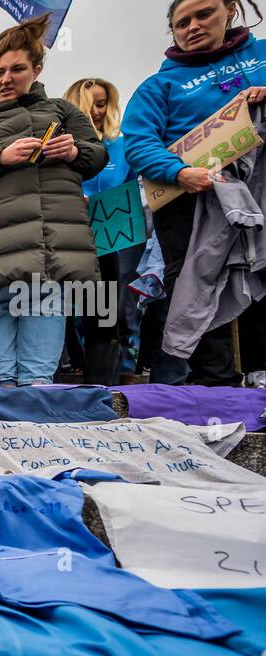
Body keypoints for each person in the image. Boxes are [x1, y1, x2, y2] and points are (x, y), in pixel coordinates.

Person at [0, 15, 106, 387]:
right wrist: (2, 156)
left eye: (16, 69)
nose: (5, 79)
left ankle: (36, 390)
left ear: (37, 70)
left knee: (45, 303)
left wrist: (74, 150)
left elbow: (97, 157)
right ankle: (2, 388)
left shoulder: (62, 112)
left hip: (51, 234)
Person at [123, 0, 266, 386]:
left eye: (204, 14)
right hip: (190, 199)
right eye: (182, 23)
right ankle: (214, 385)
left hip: (260, 191)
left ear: (231, 10)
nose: (194, 27)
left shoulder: (263, 53)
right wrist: (179, 171)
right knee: (194, 285)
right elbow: (137, 142)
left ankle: (260, 374)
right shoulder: (158, 85)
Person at [64, 77, 138, 384]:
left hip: (109, 236)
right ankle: (67, 365)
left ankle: (102, 378)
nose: (97, 110)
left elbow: (132, 190)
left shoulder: (121, 146)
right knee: (62, 305)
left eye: (102, 102)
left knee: (105, 307)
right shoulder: (59, 141)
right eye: (91, 103)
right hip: (66, 235)